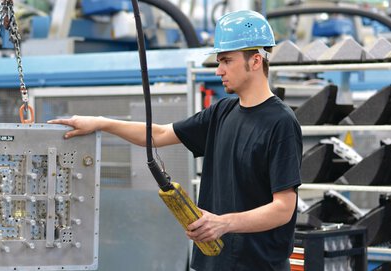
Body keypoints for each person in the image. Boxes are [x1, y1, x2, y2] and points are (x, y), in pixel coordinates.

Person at [48, 9, 302, 271]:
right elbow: (158, 134)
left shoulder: (280, 122)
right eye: (219, 62)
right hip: (213, 262)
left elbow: (283, 208)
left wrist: (224, 223)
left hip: (258, 265)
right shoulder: (222, 112)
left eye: (226, 61)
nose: (219, 71)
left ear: (256, 61)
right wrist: (101, 123)